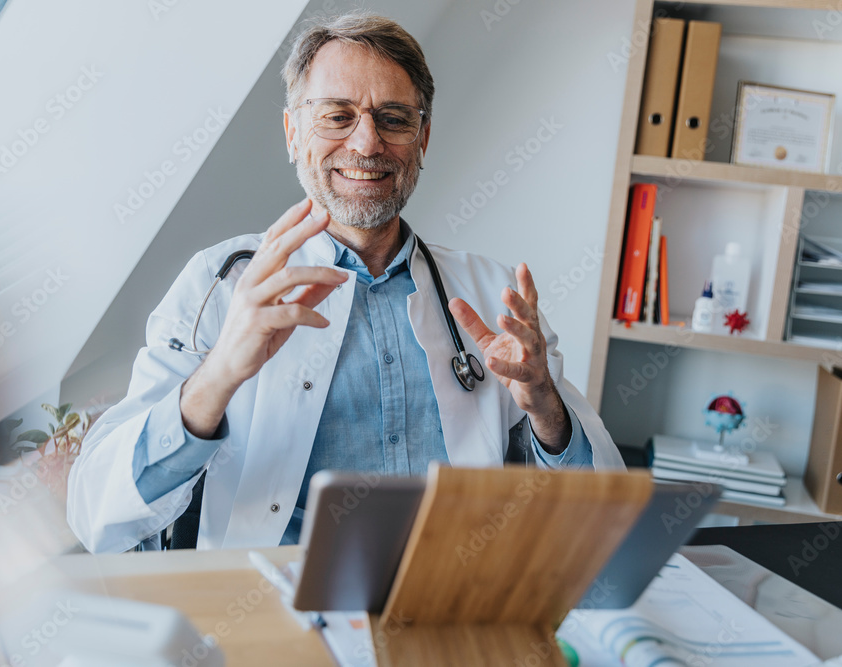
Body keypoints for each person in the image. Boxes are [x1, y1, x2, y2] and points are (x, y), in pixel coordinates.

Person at [67, 13, 623, 553]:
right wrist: (219, 375)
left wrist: (544, 405)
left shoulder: (495, 294)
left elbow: (597, 513)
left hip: (447, 606)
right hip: (271, 622)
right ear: (292, 132)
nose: (366, 143)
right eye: (337, 116)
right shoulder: (219, 286)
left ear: (423, 139)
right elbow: (98, 515)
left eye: (394, 118)